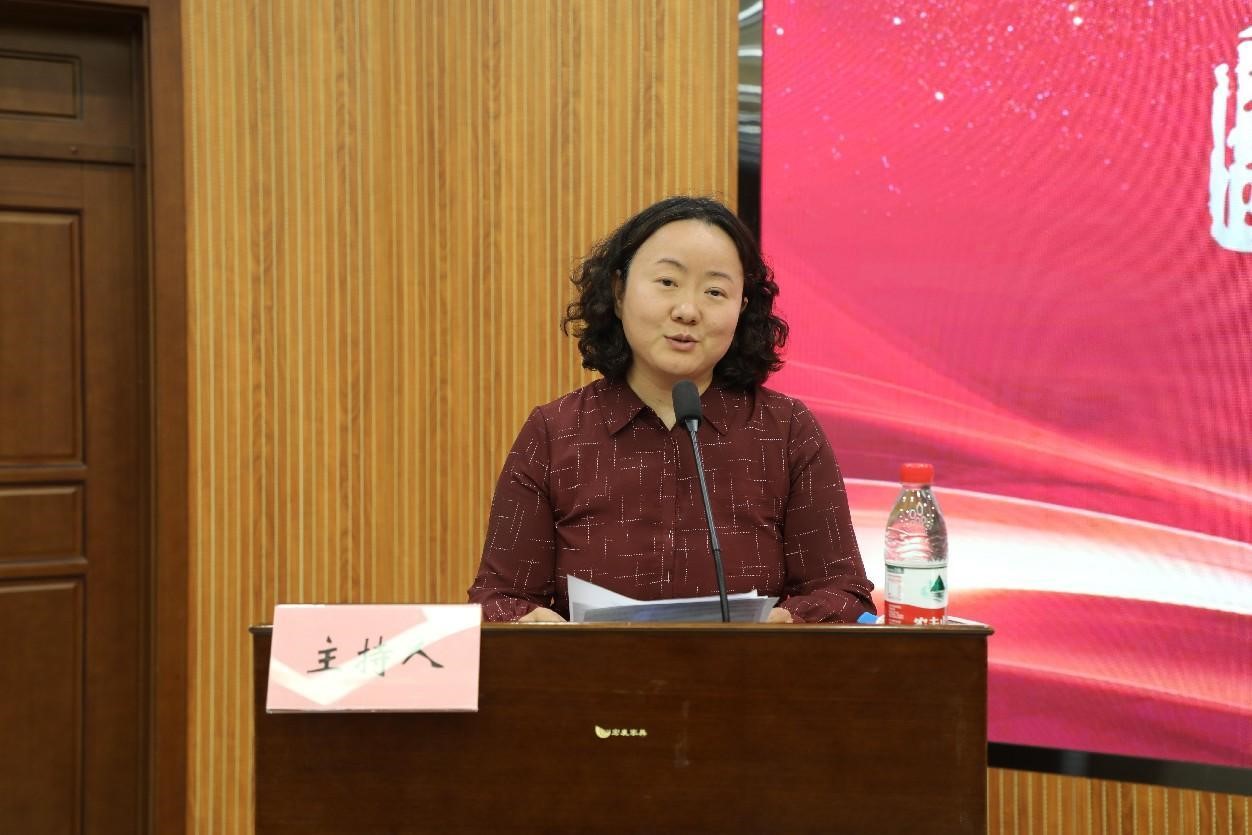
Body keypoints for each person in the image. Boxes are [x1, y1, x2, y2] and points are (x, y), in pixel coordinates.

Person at [468, 195, 875, 623]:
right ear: (619, 292)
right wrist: (526, 620)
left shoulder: (785, 430)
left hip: (749, 667)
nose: (687, 310)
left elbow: (845, 593)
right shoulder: (556, 432)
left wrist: (787, 622)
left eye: (715, 291)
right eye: (667, 282)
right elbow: (497, 598)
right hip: (592, 669)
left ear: (742, 308)